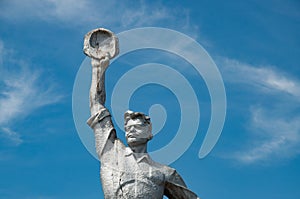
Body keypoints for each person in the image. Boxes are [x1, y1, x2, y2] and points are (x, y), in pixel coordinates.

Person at [87, 56, 199, 198]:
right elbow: (96, 105)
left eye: (137, 127)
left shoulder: (164, 173)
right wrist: (98, 68)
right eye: (127, 128)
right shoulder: (110, 153)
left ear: (149, 134)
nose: (130, 130)